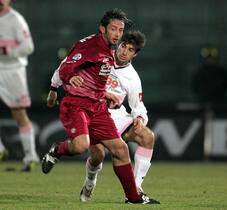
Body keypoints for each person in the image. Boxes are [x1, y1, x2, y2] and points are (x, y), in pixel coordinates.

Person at [41, 9, 159, 204]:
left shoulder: (130, 75)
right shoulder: (93, 48)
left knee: (132, 144)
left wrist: (139, 118)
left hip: (106, 111)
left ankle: (134, 195)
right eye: (114, 30)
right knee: (90, 152)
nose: (118, 37)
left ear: (135, 55)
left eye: (120, 30)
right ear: (103, 29)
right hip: (80, 105)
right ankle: (83, 175)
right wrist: (55, 87)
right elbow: (66, 66)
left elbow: (138, 105)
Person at [0, 0, 39, 171]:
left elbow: (28, 46)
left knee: (19, 114)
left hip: (13, 71)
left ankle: (31, 155)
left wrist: (5, 52)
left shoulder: (16, 19)